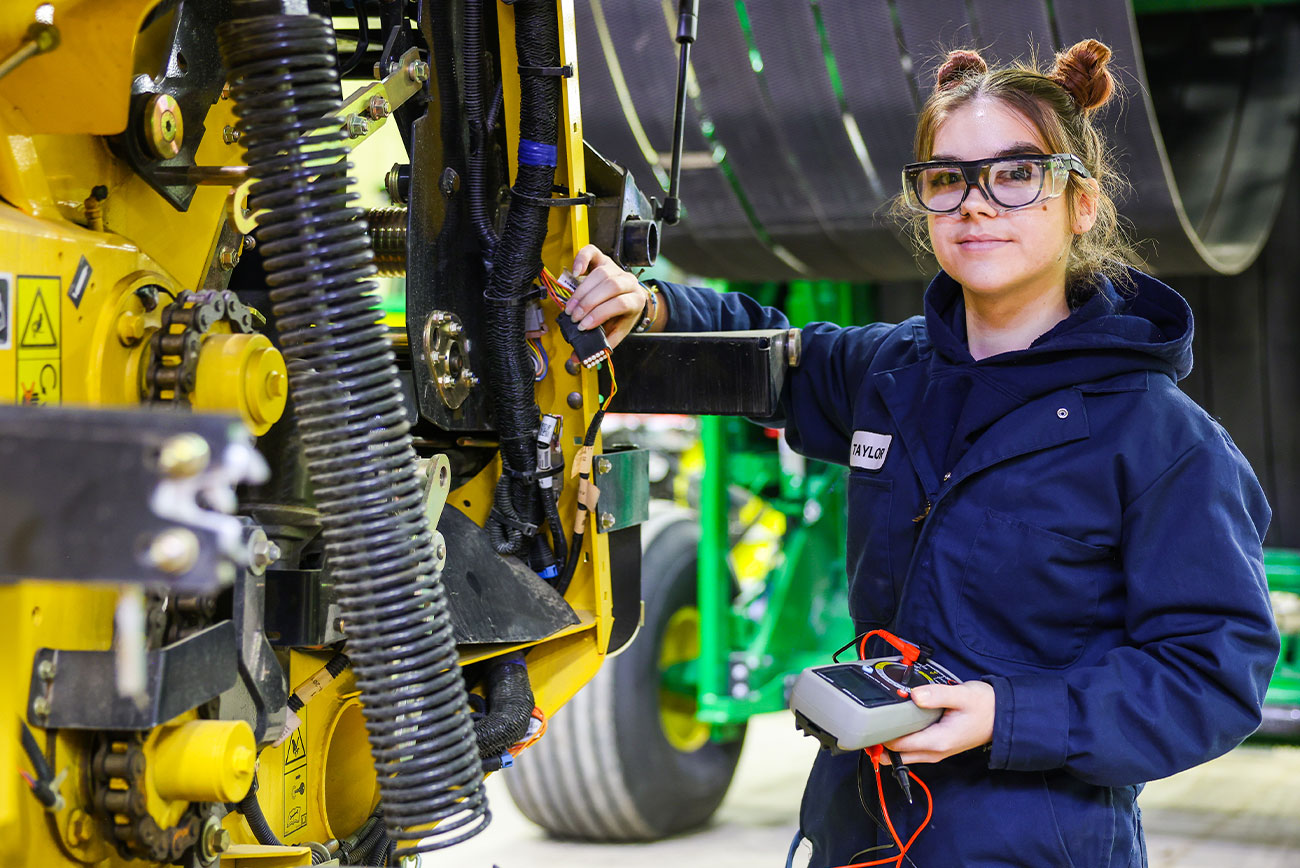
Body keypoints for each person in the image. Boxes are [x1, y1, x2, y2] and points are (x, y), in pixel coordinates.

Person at [560, 39, 1280, 868]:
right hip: (857, 825)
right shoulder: (890, 372)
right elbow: (764, 350)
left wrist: (1007, 717)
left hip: (1028, 846)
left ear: (1080, 204)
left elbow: (1210, 679)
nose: (976, 203)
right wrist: (646, 306)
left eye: (1016, 174)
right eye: (948, 179)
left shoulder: (1166, 447)